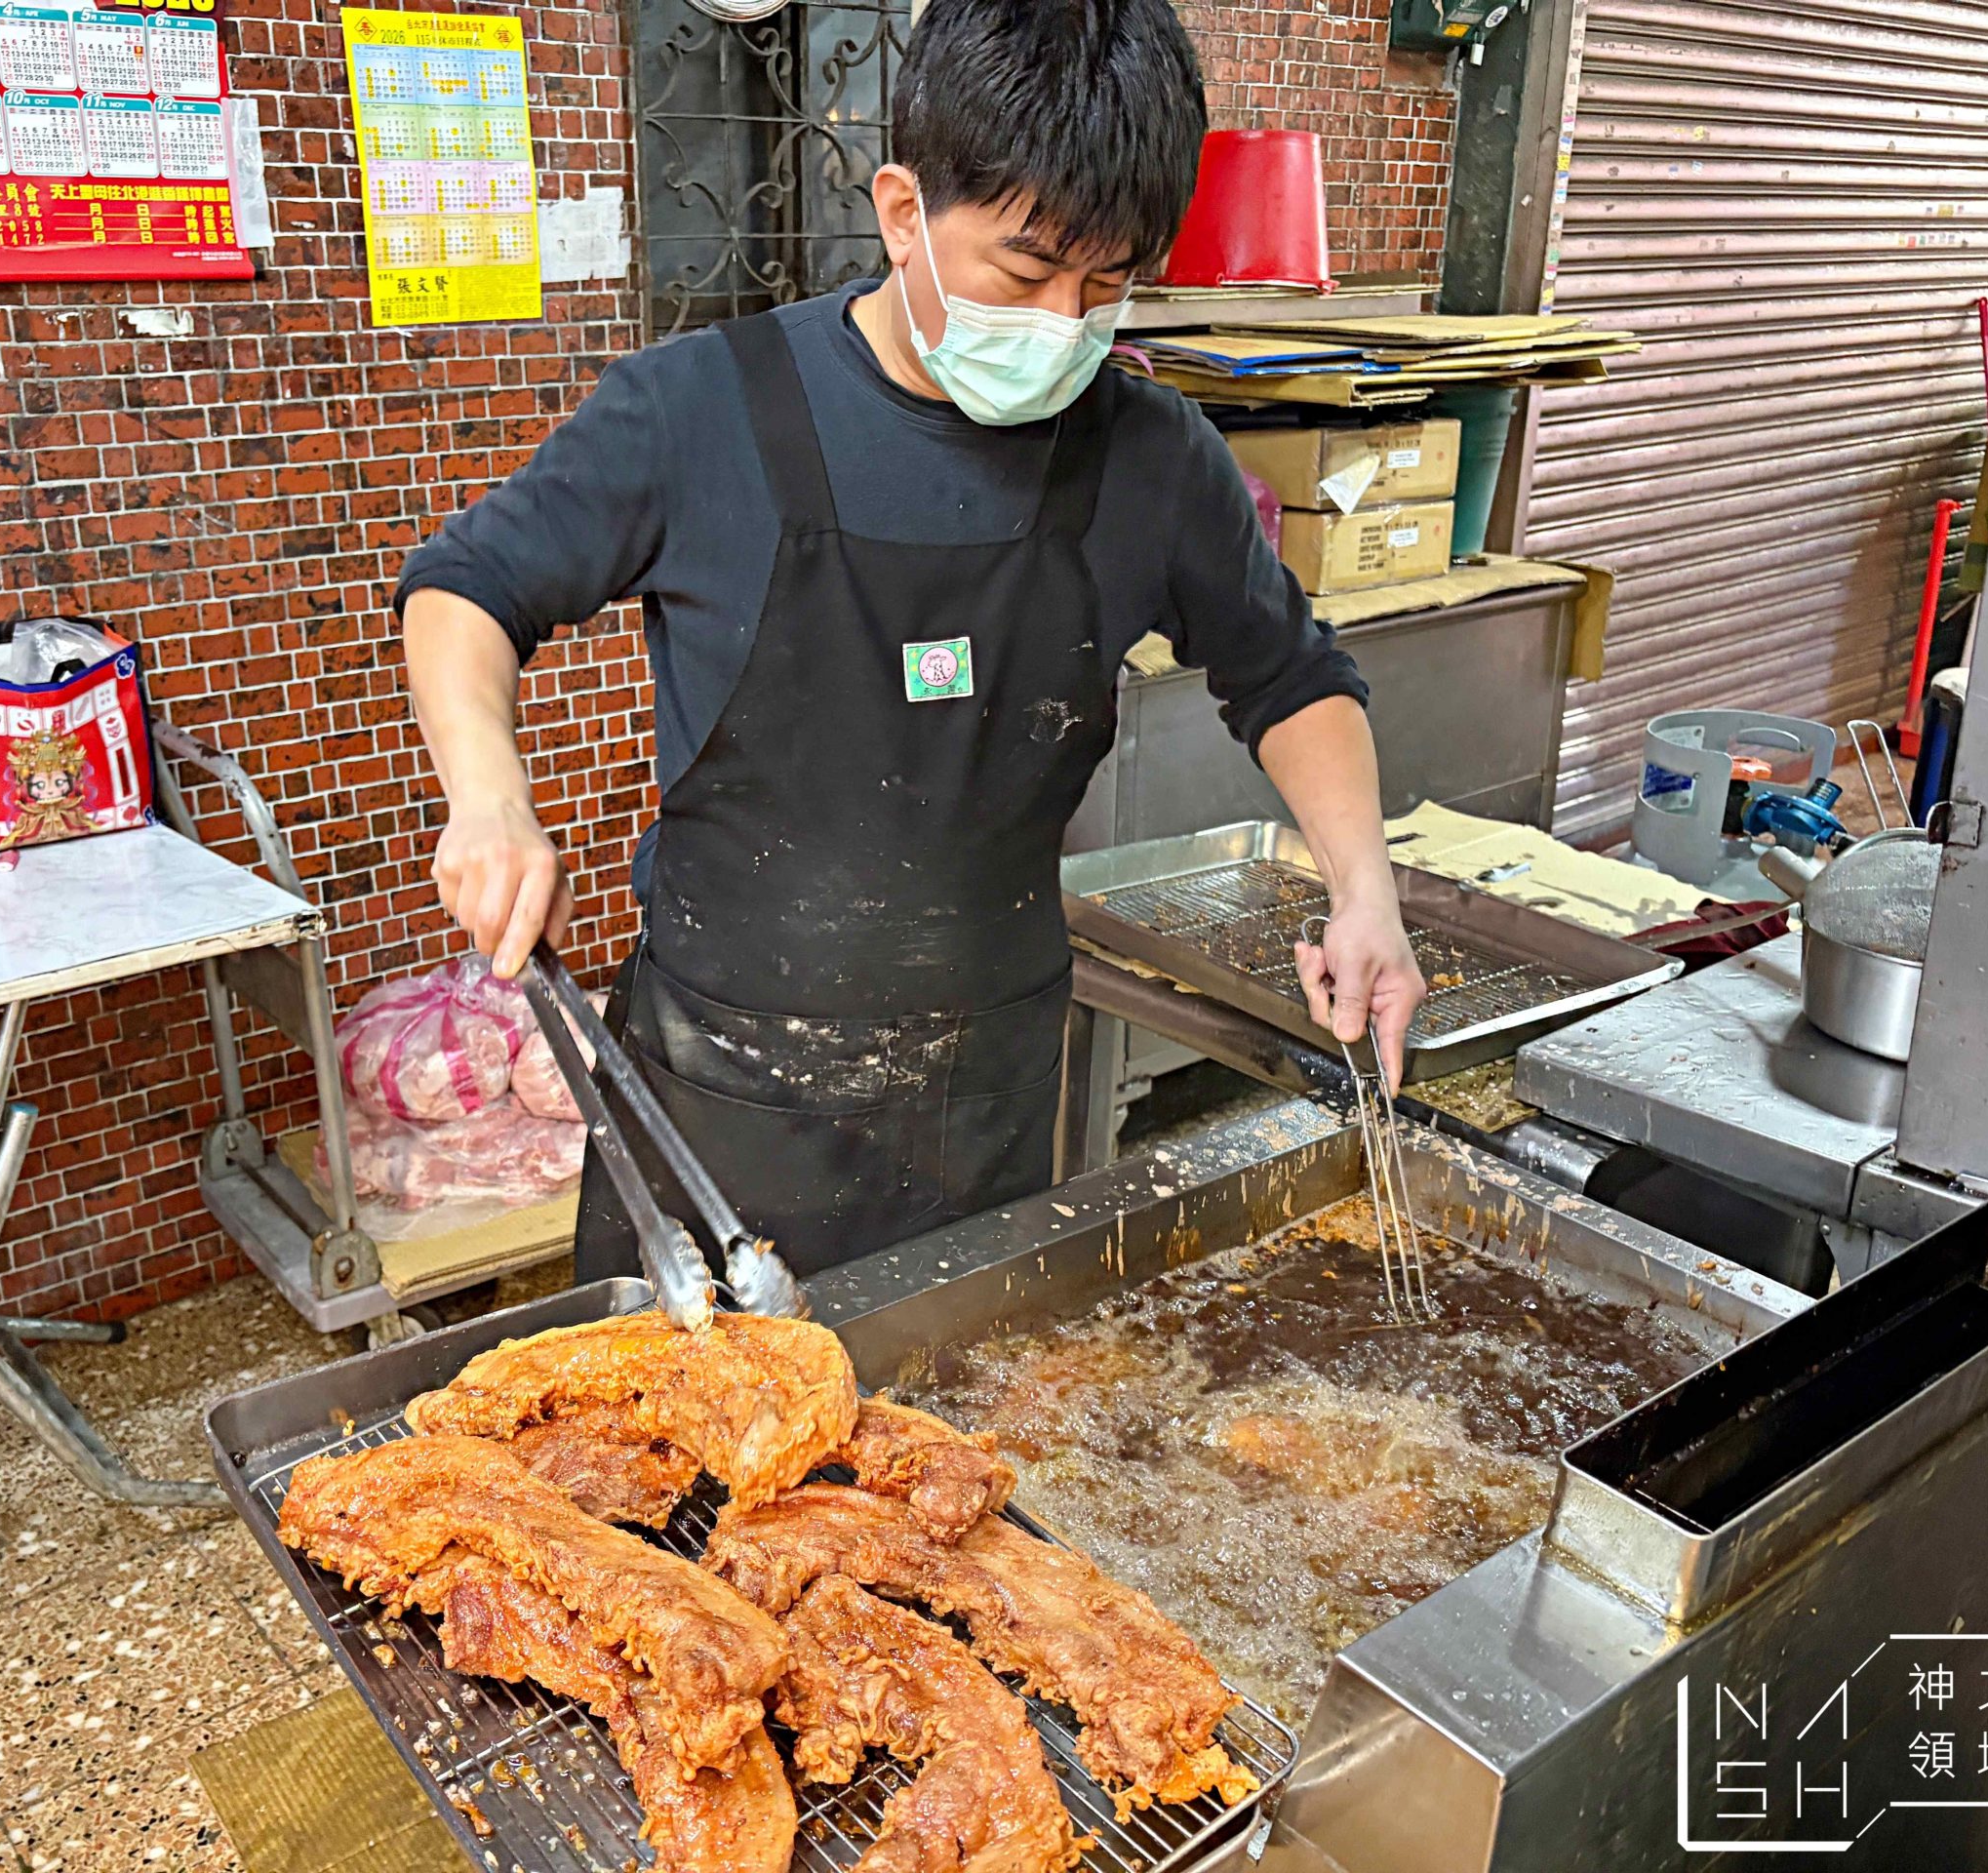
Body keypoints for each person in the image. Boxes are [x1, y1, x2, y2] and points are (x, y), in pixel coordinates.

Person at [398, 0, 1425, 1283]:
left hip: (983, 1109)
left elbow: (1292, 680)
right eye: (1024, 269)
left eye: (1106, 282)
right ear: (901, 214)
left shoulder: (1152, 461)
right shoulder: (702, 409)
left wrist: (1365, 892)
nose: (1063, 319)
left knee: (954, 1458)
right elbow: (467, 588)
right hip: (721, 1099)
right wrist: (488, 799)